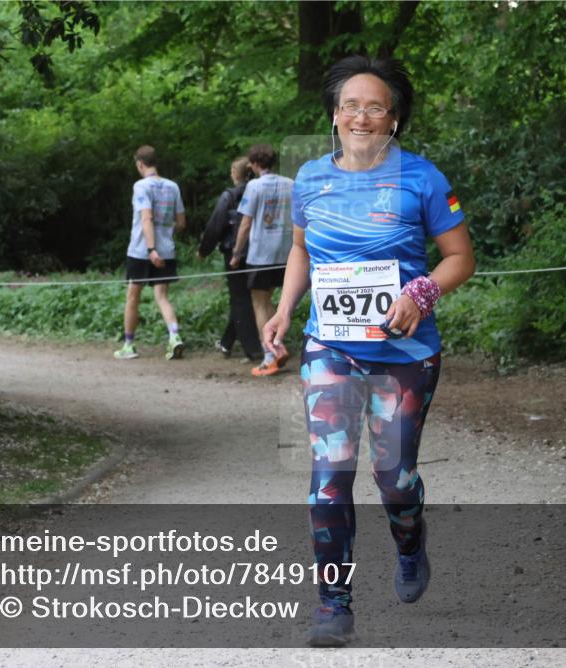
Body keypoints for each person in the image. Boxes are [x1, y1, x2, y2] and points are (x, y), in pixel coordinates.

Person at [260, 56, 476, 646]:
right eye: (349, 105)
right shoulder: (308, 178)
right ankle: (334, 603)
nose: (361, 115)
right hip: (331, 348)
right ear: (334, 116)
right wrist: (283, 310)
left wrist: (421, 292)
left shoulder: (424, 178)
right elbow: (301, 252)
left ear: (393, 120)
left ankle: (410, 542)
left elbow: (461, 257)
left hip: (405, 355)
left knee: (394, 480)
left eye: (374, 106)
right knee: (329, 477)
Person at [114, 145, 187, 361]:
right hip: (167, 250)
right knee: (162, 297)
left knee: (133, 297)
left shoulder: (141, 186)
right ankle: (174, 336)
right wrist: (164, 237)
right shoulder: (173, 186)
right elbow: (181, 222)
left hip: (141, 250)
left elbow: (146, 218)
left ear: (139, 164)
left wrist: (151, 248)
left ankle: (128, 345)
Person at [229, 144, 294, 376]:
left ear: (255, 164)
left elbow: (245, 223)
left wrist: (237, 253)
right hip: (286, 254)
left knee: (259, 303)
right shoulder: (290, 184)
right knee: (270, 302)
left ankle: (269, 355)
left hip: (260, 254)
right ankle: (278, 345)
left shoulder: (254, 186)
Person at [197, 157, 263, 361]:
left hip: (234, 253)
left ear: (235, 173)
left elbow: (216, 224)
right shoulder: (259, 190)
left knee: (240, 298)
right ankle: (226, 342)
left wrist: (203, 250)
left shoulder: (230, 195)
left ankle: (253, 349)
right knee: (248, 297)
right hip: (259, 251)